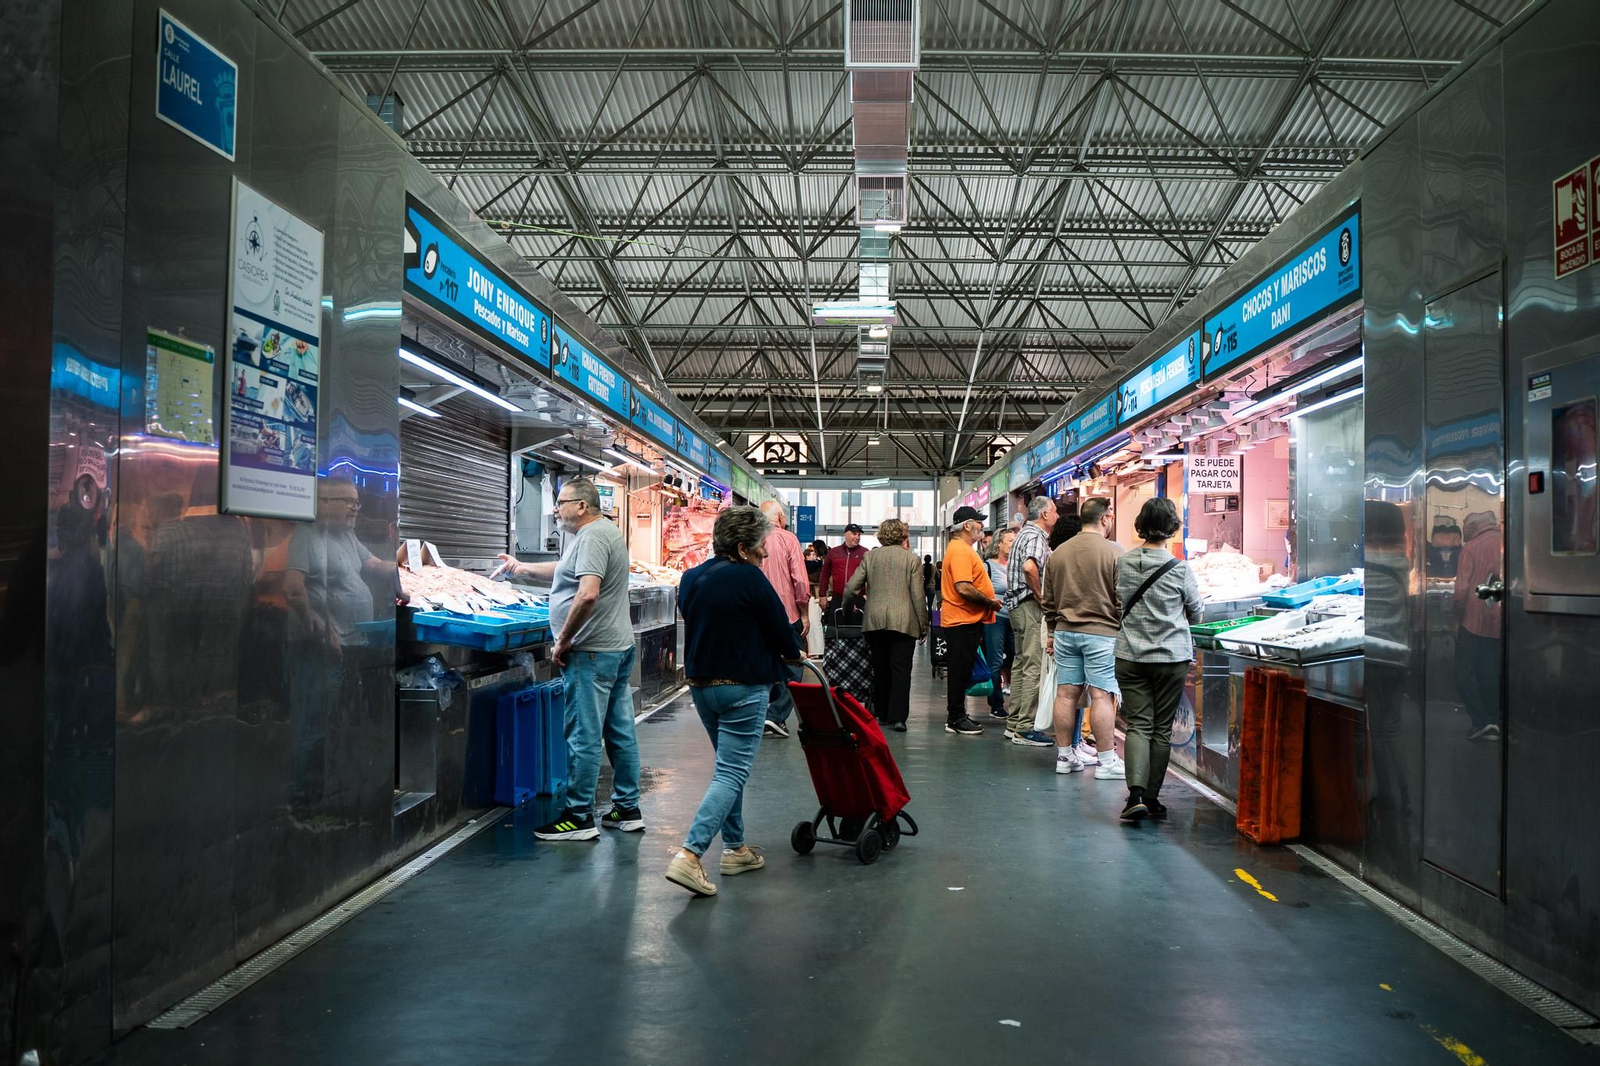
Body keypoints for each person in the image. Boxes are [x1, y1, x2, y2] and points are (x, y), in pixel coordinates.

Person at [666, 506, 804, 896]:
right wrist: (794, 652)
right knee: (731, 772)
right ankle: (690, 856)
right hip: (744, 686)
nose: (765, 553)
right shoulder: (751, 578)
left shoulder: (691, 578)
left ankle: (735, 848)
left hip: (702, 686)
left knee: (729, 768)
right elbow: (781, 630)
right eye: (761, 546)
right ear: (743, 548)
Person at [496, 477, 639, 841]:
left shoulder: (591, 537)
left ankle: (578, 817)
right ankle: (627, 807)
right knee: (620, 730)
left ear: (582, 506)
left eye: (561, 503)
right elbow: (566, 572)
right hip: (615, 648)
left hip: (591, 652)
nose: (555, 509)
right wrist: (521, 569)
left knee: (585, 735)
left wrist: (563, 640)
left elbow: (587, 594)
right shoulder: (599, 534)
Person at [1114, 498, 1203, 821]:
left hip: (1130, 654)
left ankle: (1134, 794)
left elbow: (1117, 600)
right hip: (1170, 657)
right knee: (1161, 729)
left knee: (1138, 723)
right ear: (1172, 527)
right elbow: (1197, 611)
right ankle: (1151, 798)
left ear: (1141, 525)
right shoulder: (1179, 568)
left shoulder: (1123, 563)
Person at [1041, 497, 1127, 778]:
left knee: (1066, 693)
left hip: (1066, 632)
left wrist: (1053, 631)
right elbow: (1122, 598)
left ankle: (1064, 757)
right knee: (1102, 695)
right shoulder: (1115, 552)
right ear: (1105, 519)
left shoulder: (1059, 553)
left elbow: (1049, 601)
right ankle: (1106, 762)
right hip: (1102, 634)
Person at [843, 519, 928, 732]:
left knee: (880, 668)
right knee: (901, 670)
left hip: (874, 621)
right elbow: (918, 596)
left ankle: (881, 712)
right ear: (902, 535)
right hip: (904, 622)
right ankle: (898, 718)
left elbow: (851, 587)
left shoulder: (870, 557)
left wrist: (846, 609)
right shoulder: (912, 559)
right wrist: (923, 626)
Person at [940, 506, 1004, 736]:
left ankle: (958, 715)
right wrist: (989, 602)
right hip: (961, 620)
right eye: (978, 521)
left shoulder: (963, 549)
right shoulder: (960, 551)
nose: (982, 526)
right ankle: (955, 718)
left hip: (965, 620)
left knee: (962, 670)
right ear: (967, 525)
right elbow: (963, 586)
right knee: (959, 672)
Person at [1004, 496, 1058, 747]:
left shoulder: (1024, 534)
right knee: (1033, 665)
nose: (1057, 516)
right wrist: (1042, 596)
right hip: (1028, 606)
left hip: (1017, 607)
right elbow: (1029, 567)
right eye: (1055, 511)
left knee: (1021, 663)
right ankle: (1025, 727)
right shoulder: (1035, 536)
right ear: (1045, 514)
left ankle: (1014, 722)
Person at [757, 499, 811, 738]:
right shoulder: (788, 539)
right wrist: (805, 613)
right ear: (779, 517)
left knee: (763, 666)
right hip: (787, 615)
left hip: (755, 618)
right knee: (794, 666)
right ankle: (775, 715)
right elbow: (800, 580)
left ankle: (763, 716)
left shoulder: (750, 539)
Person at [1454, 510, 1503, 741]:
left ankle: (1480, 721)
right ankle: (1494, 721)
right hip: (1501, 623)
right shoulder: (1507, 542)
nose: (1464, 531)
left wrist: (1456, 613)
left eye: (1465, 526)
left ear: (1474, 526)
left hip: (1473, 622)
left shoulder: (1471, 548)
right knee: (1490, 672)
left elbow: (1462, 589)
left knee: (1464, 672)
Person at [982, 528, 1017, 722]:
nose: (1013, 544)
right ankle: (996, 704)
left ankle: (1017, 703)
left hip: (1015, 618)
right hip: (994, 619)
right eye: (1010, 541)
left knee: (1015, 661)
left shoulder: (1016, 565)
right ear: (999, 544)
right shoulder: (988, 566)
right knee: (994, 661)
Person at [818, 524, 868, 613]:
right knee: (835, 626)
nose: (857, 537)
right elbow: (825, 574)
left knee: (857, 626)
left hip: (858, 599)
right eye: (854, 534)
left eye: (859, 535)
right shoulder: (833, 552)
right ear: (845, 535)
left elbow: (871, 576)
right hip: (838, 598)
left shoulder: (865, 553)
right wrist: (822, 595)